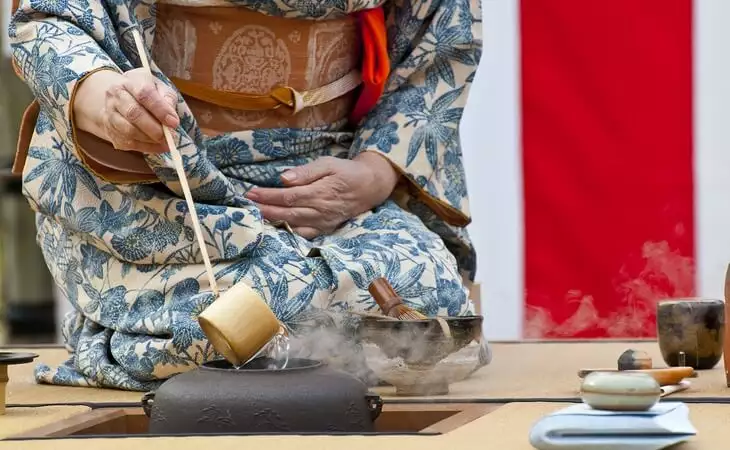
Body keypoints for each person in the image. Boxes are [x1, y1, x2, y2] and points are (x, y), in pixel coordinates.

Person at [8, 0, 483, 391]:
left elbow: (443, 30)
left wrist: (376, 171)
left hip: (317, 174)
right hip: (160, 177)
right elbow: (49, 19)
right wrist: (109, 101)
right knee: (258, 312)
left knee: (431, 296)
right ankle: (126, 333)